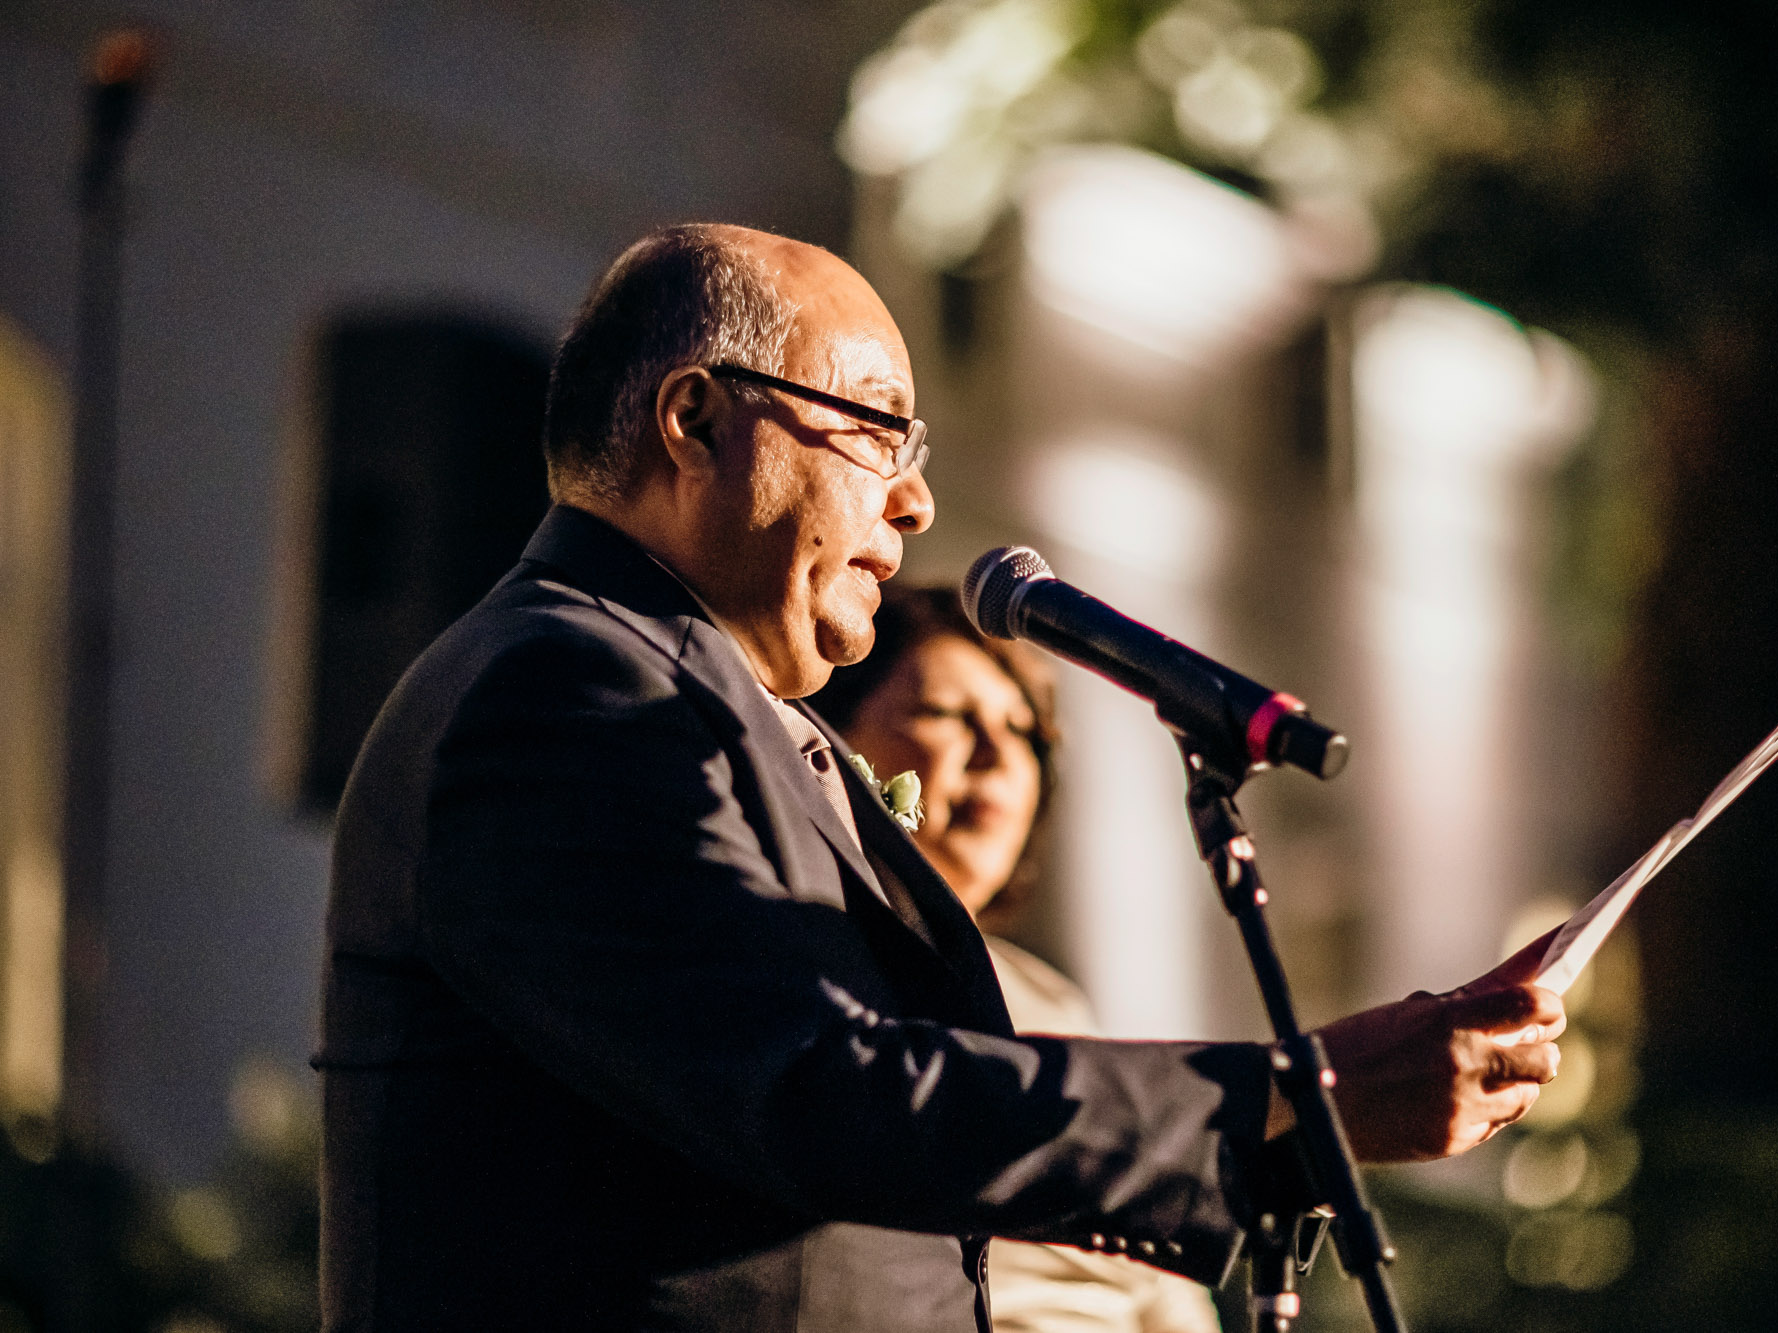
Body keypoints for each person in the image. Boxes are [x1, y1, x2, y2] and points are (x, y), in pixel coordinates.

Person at [316, 223, 1565, 1333]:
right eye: (870, 423)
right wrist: (1300, 1094)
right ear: (693, 420)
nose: (914, 500)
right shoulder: (564, 692)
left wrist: (1302, 1141)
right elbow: (820, 1090)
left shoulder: (699, 702)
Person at [811, 584, 1223, 1333]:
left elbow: (1161, 1286)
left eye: (1025, 732)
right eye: (946, 716)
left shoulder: (1052, 1000)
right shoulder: (827, 959)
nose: (998, 757)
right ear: (830, 743)